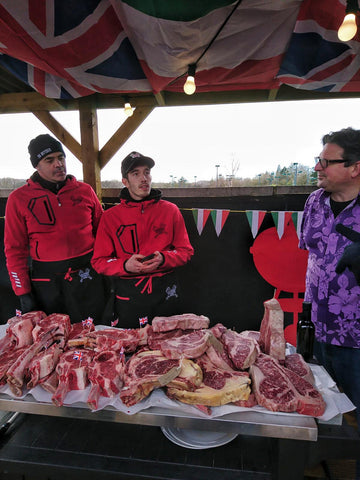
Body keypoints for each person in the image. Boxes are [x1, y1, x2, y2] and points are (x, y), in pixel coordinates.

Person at [299, 127, 360, 445]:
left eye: (326, 161)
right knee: (319, 416)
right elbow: (311, 258)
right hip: (315, 332)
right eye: (317, 160)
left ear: (354, 167)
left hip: (357, 340)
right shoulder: (314, 202)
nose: (317, 167)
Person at [4, 133, 106, 323]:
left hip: (87, 277)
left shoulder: (85, 191)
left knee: (93, 336)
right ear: (36, 165)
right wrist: (23, 292)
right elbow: (14, 250)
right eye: (49, 160)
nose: (58, 164)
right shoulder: (18, 199)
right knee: (53, 341)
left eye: (61, 157)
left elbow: (103, 234)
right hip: (46, 284)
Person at [91, 151, 194, 328]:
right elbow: (99, 261)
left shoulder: (171, 211)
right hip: (130, 296)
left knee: (169, 349)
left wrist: (164, 258)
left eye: (146, 172)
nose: (143, 178)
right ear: (125, 181)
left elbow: (185, 251)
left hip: (166, 294)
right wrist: (125, 265)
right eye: (136, 174)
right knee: (132, 349)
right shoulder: (110, 217)